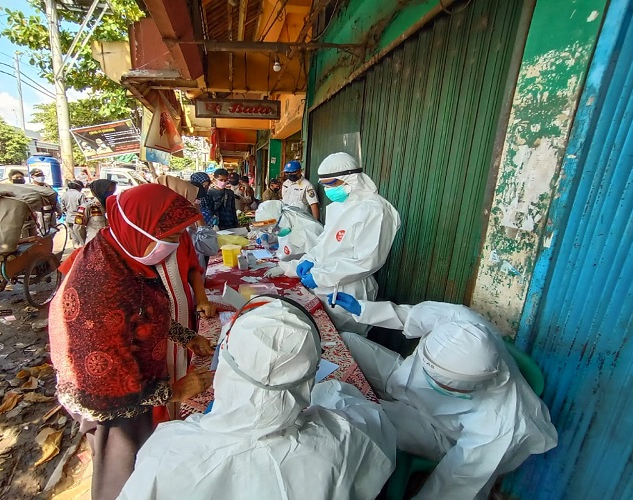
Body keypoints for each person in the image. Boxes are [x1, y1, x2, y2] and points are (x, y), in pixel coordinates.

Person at [119, 296, 397, 500]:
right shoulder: (337, 442)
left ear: (225, 360)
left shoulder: (166, 452)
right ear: (308, 379)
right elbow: (375, 427)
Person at [48, 183, 216, 500]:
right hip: (111, 404)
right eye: (170, 238)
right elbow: (106, 386)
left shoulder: (122, 253)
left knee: (145, 464)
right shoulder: (102, 286)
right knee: (123, 476)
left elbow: (142, 314)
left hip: (132, 386)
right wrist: (176, 392)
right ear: (139, 227)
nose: (175, 245)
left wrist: (187, 337)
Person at [341, 306, 558, 500]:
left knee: (361, 414)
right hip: (414, 389)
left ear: (464, 390)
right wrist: (364, 309)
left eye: (436, 382)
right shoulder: (468, 326)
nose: (425, 379)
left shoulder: (500, 429)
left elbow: (453, 489)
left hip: (445, 435)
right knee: (345, 342)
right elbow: (416, 316)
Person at [276, 152, 400, 336]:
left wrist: (321, 277)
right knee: (321, 336)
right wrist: (310, 258)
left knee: (345, 340)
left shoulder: (375, 210)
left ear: (351, 179)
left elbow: (367, 261)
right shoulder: (339, 206)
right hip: (324, 284)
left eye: (332, 184)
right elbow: (325, 241)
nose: (328, 190)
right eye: (325, 185)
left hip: (350, 290)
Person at [154, 175, 218, 419]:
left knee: (179, 365)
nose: (191, 208)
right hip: (155, 326)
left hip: (178, 315)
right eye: (186, 203)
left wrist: (201, 299)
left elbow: (193, 269)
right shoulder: (138, 242)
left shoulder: (181, 235)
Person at [255, 200, 323, 261]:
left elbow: (316, 257)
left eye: (273, 229)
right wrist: (268, 237)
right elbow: (282, 234)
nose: (272, 231)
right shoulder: (286, 219)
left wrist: (288, 267)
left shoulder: (308, 229)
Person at [61, 180, 87, 248]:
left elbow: (63, 207)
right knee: (81, 237)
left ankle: (75, 247)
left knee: (73, 235)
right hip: (78, 218)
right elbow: (84, 207)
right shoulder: (80, 195)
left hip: (68, 217)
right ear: (79, 187)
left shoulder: (64, 194)